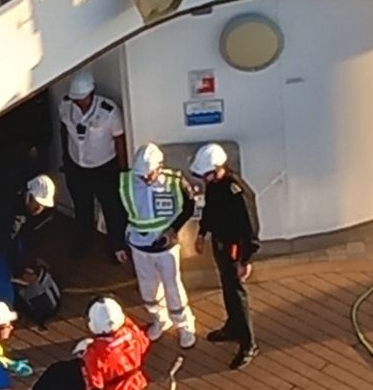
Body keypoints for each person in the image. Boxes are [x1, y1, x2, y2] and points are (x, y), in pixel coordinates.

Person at [121, 142, 198, 349]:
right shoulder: (126, 182)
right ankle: (159, 318)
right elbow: (118, 212)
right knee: (148, 287)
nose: (145, 178)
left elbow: (189, 207)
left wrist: (172, 230)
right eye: (142, 175)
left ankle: (184, 324)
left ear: (159, 167)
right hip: (139, 245)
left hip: (166, 246)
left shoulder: (175, 182)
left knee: (173, 285)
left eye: (149, 174)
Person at [192, 143, 261, 370]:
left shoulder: (237, 192)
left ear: (219, 168)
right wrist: (202, 232)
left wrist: (246, 260)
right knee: (227, 287)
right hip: (220, 245)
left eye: (207, 174)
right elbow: (210, 211)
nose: (204, 180)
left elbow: (250, 229)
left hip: (234, 249)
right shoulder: (214, 185)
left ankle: (249, 343)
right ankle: (233, 327)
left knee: (238, 293)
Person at [59, 71, 129, 263]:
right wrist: (66, 158)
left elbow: (119, 140)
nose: (80, 103)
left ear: (92, 93)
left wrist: (123, 171)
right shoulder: (66, 106)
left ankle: (117, 246)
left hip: (104, 167)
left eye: (83, 99)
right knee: (82, 207)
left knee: (112, 208)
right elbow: (64, 129)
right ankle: (83, 240)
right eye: (77, 100)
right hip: (77, 166)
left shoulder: (109, 112)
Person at [0, 174, 57, 307]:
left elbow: (26, 235)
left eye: (43, 206)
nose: (39, 208)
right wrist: (20, 272)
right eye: (38, 203)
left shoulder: (26, 209)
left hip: (7, 241)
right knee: (1, 275)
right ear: (29, 195)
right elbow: (3, 241)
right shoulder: (8, 210)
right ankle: (2, 312)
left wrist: (32, 259)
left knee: (20, 253)